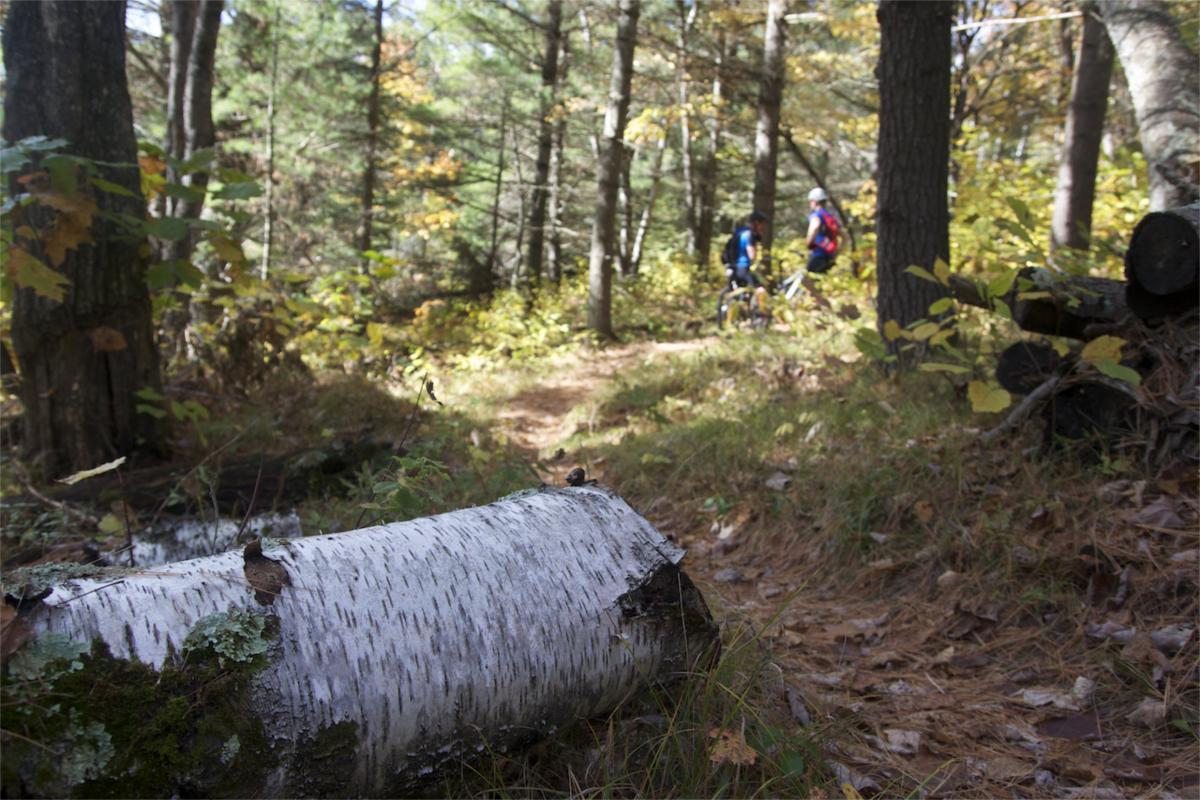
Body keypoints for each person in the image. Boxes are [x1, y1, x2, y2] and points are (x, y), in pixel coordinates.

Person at [804, 187, 840, 274]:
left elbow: (814, 228)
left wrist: (807, 245)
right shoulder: (829, 217)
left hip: (818, 255)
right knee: (819, 284)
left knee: (807, 281)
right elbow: (845, 237)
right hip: (829, 257)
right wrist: (836, 253)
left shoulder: (816, 215)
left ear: (814, 201)